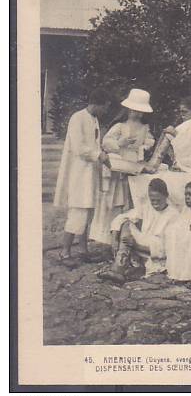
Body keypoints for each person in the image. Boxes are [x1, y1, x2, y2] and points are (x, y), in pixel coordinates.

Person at [130, 96, 191, 213]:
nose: (182, 114)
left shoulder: (189, 126)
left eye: (185, 111)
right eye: (180, 111)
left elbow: (172, 150)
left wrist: (173, 135)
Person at [89, 88, 155, 245]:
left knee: (131, 200)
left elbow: (150, 141)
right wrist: (120, 143)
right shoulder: (120, 125)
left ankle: (126, 238)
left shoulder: (144, 128)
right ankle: (107, 238)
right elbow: (106, 142)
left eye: (140, 111)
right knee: (114, 201)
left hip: (134, 166)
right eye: (134, 110)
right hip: (118, 167)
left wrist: (144, 147)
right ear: (128, 109)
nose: (137, 114)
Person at [54, 87, 111, 267]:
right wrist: (98, 155)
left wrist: (101, 154)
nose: (106, 111)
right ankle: (65, 252)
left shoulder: (93, 120)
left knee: (88, 211)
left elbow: (94, 145)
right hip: (78, 173)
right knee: (78, 212)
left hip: (90, 174)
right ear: (97, 104)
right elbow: (79, 148)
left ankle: (83, 250)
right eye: (105, 107)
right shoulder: (77, 118)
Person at [98, 178, 179, 284]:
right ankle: (119, 266)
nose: (154, 203)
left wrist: (137, 245)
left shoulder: (174, 215)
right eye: (152, 200)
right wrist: (114, 239)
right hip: (140, 241)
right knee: (126, 223)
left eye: (158, 200)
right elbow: (121, 217)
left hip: (153, 250)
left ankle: (118, 268)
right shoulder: (147, 207)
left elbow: (167, 248)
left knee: (129, 236)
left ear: (166, 196)